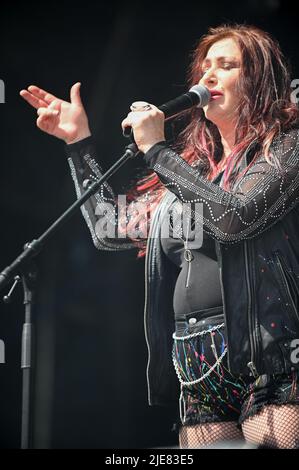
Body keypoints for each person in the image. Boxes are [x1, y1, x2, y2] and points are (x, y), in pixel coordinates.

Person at [20, 24, 299, 449]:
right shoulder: (192, 174)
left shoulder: (286, 149)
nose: (207, 77)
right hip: (196, 362)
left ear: (260, 81)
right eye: (204, 67)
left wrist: (157, 151)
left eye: (227, 66)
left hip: (269, 356)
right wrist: (78, 142)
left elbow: (235, 218)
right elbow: (110, 229)